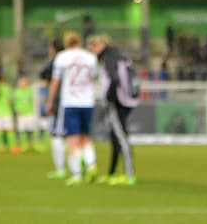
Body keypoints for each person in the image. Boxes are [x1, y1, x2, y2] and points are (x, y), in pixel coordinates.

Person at [45, 32, 99, 186]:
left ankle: (76, 174)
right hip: (87, 102)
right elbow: (94, 77)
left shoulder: (62, 57)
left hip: (70, 102)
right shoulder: (91, 57)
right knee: (86, 137)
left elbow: (55, 82)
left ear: (67, 43)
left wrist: (50, 101)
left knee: (72, 139)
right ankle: (91, 165)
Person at [88, 34, 139, 186]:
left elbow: (114, 79)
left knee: (121, 136)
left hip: (118, 101)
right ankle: (111, 173)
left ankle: (130, 175)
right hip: (127, 98)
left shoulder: (108, 57)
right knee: (115, 136)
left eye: (92, 47)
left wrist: (109, 98)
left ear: (99, 45)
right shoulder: (118, 54)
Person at [39, 37, 66, 177]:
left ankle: (60, 169)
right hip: (75, 101)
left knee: (56, 135)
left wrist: (48, 101)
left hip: (58, 101)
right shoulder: (71, 59)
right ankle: (83, 164)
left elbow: (43, 74)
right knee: (75, 136)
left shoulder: (56, 60)